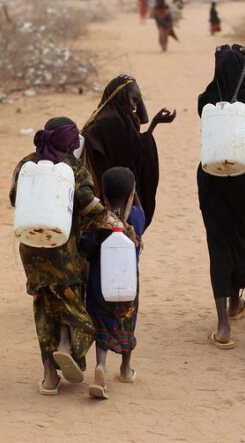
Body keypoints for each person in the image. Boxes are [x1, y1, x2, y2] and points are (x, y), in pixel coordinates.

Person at [9, 117, 126, 395]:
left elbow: (15, 199)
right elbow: (89, 206)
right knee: (70, 299)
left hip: (31, 249)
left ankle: (50, 377)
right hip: (64, 250)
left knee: (43, 304)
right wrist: (116, 223)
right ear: (70, 141)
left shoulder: (25, 163)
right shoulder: (73, 169)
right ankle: (66, 345)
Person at [197, 44, 245, 349]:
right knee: (240, 236)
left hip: (211, 179)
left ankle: (223, 325)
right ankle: (234, 304)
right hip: (242, 179)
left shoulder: (207, 99)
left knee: (218, 242)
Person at [81, 74, 176, 230]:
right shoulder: (112, 121)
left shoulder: (113, 115)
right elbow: (131, 153)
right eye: (133, 100)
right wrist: (151, 130)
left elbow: (133, 145)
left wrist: (153, 125)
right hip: (111, 194)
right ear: (120, 97)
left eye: (137, 101)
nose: (134, 106)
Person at [83, 167, 145, 400]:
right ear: (132, 194)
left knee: (102, 325)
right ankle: (125, 369)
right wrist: (133, 193)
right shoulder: (138, 216)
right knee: (127, 322)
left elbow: (85, 245)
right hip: (128, 283)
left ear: (104, 195)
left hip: (100, 284)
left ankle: (100, 364)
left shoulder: (98, 221)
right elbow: (138, 208)